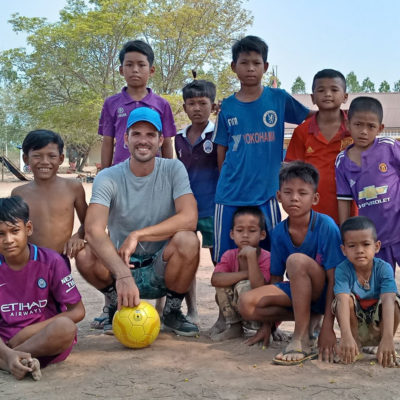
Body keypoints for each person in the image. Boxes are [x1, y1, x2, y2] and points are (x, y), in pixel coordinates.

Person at [76, 107, 200, 336]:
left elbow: (189, 218)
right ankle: (115, 305)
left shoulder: (173, 169)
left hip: (161, 265)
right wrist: (122, 274)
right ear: (126, 139)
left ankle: (172, 312)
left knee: (188, 240)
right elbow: (93, 230)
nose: (144, 141)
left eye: (151, 135)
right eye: (137, 134)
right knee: (85, 254)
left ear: (161, 140)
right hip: (120, 265)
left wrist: (137, 235)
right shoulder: (108, 177)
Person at [212, 35, 311, 264]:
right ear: (233, 66)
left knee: (272, 258)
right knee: (226, 260)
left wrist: (345, 115)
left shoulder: (278, 98)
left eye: (256, 63)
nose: (250, 68)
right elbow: (221, 151)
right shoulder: (227, 106)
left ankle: (267, 299)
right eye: (244, 63)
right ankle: (229, 301)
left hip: (266, 195)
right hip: (230, 195)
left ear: (265, 67)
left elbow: (311, 120)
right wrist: (226, 179)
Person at [238, 161, 345, 365]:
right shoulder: (278, 232)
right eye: (287, 192)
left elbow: (335, 279)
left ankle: (301, 337)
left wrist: (328, 327)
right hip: (298, 293)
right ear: (279, 196)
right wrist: (267, 327)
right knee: (246, 304)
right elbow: (276, 279)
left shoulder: (327, 226)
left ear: (315, 199)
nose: (294, 198)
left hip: (323, 293)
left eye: (302, 193)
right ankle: (309, 318)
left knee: (295, 261)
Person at [0, 196, 85, 380]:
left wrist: (25, 334)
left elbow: (78, 311)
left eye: (15, 231)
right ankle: (15, 360)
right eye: (0, 234)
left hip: (44, 339)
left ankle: (10, 360)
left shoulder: (51, 261)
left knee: (66, 327)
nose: (8, 240)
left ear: (28, 228)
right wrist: (5, 350)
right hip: (3, 341)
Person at [335, 96, 400, 271]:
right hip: (373, 237)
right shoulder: (342, 161)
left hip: (398, 227)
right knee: (383, 286)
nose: (364, 131)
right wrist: (345, 231)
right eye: (358, 125)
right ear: (348, 125)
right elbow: (343, 200)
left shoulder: (389, 147)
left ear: (380, 128)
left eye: (371, 126)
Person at [285, 69, 357, 224]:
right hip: (313, 212)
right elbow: (291, 173)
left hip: (352, 210)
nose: (328, 94)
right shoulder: (302, 132)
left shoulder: (355, 129)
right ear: (312, 97)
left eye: (334, 89)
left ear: (345, 97)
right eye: (321, 90)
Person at [175, 79, 219, 323]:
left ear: (212, 106)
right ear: (184, 108)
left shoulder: (219, 134)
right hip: (186, 210)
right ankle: (191, 311)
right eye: (191, 103)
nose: (197, 108)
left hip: (213, 208)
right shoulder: (179, 138)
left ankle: (226, 313)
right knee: (187, 260)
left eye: (203, 103)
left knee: (218, 261)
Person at [11, 130, 88, 268]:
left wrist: (79, 235)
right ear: (26, 159)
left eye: (52, 156)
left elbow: (89, 221)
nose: (45, 162)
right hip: (29, 262)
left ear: (61, 158)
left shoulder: (73, 188)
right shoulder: (18, 194)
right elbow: (12, 230)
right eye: (37, 156)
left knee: (61, 290)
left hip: (60, 260)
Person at [333, 216, 400, 367]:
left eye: (366, 244)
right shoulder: (343, 270)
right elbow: (342, 300)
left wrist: (389, 338)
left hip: (380, 327)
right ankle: (354, 345)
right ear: (343, 250)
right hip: (355, 328)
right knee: (341, 301)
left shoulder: (383, 268)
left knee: (395, 302)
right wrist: (345, 335)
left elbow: (389, 300)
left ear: (376, 247)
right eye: (352, 246)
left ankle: (383, 345)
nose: (360, 251)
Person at [98, 39, 176, 167]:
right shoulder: (111, 103)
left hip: (153, 174)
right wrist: (104, 174)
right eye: (129, 65)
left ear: (151, 70)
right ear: (121, 70)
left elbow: (166, 143)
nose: (135, 70)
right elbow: (107, 141)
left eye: (141, 65)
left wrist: (167, 174)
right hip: (120, 175)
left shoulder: (162, 104)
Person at [210, 206, 270, 341]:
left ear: (262, 235)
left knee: (244, 286)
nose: (245, 235)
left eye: (252, 230)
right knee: (223, 283)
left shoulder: (267, 258)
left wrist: (252, 258)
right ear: (232, 234)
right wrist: (246, 273)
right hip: (238, 309)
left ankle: (267, 329)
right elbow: (216, 280)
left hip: (259, 313)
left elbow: (259, 285)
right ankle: (235, 327)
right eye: (239, 230)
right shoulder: (229, 255)